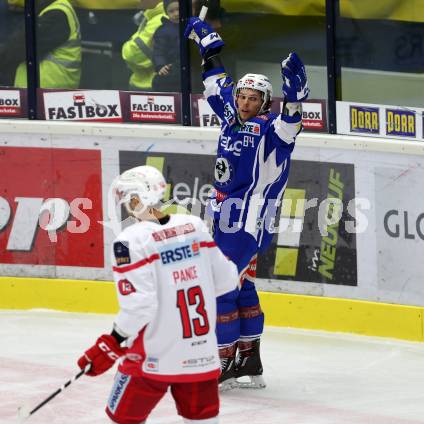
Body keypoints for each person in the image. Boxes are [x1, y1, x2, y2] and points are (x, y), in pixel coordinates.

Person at [185, 17, 309, 390]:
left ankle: (221, 362)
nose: (245, 102)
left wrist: (296, 96)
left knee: (220, 286)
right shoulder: (229, 113)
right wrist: (208, 46)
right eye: (242, 96)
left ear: (265, 102)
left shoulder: (273, 131)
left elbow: (292, 123)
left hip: (246, 223)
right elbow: (215, 82)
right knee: (243, 286)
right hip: (225, 217)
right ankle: (249, 358)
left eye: (254, 98)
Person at [77, 165, 239, 423]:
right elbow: (228, 280)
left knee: (123, 419)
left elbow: (140, 306)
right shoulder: (194, 225)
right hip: (202, 357)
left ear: (135, 199)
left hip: (152, 358)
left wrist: (112, 341)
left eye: (126, 200)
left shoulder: (130, 241)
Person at [0, 0, 81, 88]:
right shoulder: (47, 8)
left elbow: (19, 49)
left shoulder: (57, 13)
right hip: (40, 86)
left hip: (47, 90)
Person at [122, 0, 165, 91]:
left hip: (151, 86)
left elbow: (133, 54)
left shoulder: (160, 20)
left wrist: (126, 47)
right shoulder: (153, 16)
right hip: (145, 82)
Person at [151, 0, 180, 92]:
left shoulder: (192, 25)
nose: (176, 14)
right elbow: (158, 51)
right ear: (166, 13)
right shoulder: (163, 30)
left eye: (179, 9)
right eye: (171, 11)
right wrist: (160, 65)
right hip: (171, 69)